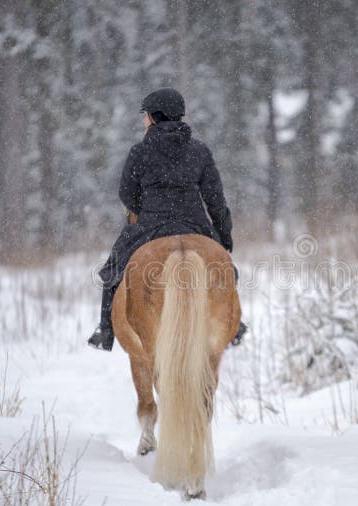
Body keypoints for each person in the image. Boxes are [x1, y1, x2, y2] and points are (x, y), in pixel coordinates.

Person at [88, 87, 248, 351]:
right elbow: (216, 200)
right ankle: (233, 324)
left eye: (145, 115)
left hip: (150, 227)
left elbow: (126, 194)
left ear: (154, 117)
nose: (143, 120)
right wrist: (224, 236)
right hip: (195, 225)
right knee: (227, 271)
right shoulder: (200, 151)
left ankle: (106, 330)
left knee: (113, 271)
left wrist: (148, 209)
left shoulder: (139, 152)